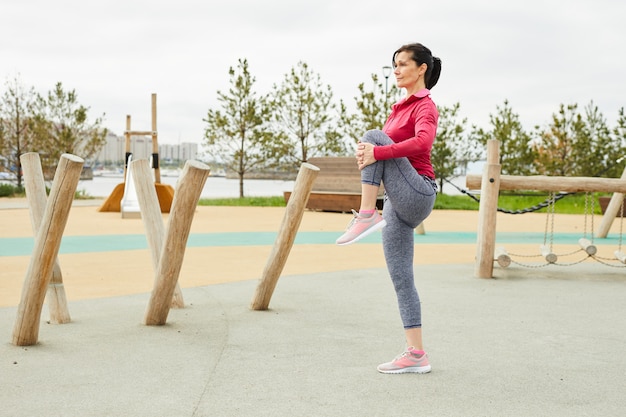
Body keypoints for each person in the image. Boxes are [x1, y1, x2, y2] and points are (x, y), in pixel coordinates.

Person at [336, 43, 441, 374]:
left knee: (373, 137)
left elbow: (423, 143)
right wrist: (369, 156)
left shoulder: (426, 106)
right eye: (393, 65)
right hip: (398, 201)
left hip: (419, 191)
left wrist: (376, 151)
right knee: (401, 278)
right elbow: (385, 155)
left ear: (421, 68)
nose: (395, 70)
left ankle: (367, 214)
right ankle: (416, 354)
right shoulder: (397, 109)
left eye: (401, 64)